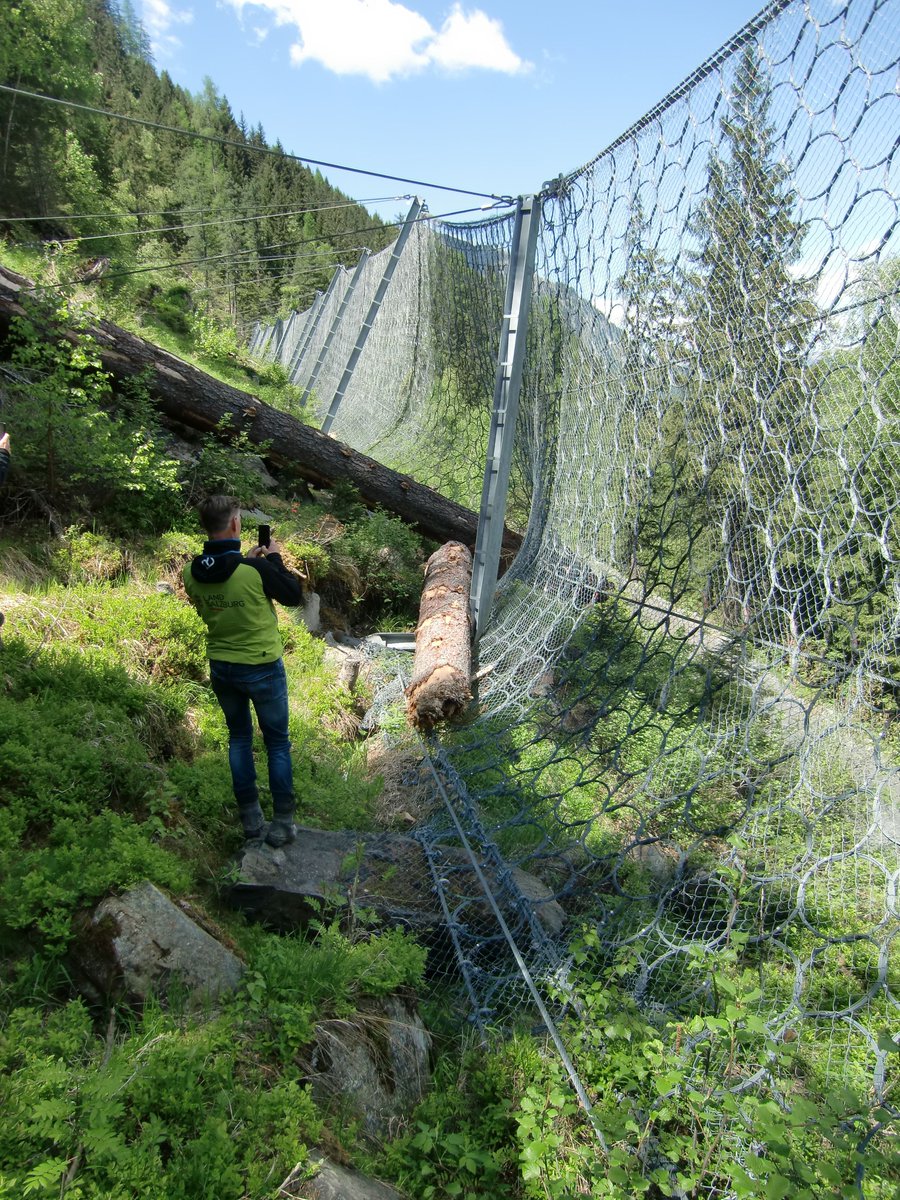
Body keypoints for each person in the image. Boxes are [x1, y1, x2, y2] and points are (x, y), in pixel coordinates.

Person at [183, 495, 303, 847]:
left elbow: (222, 580)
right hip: (262, 666)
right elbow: (293, 595)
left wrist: (246, 563)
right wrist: (274, 558)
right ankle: (282, 825)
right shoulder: (256, 570)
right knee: (277, 743)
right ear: (235, 524)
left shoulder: (190, 571)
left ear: (207, 526)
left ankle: (251, 821)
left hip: (222, 667)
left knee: (239, 739)